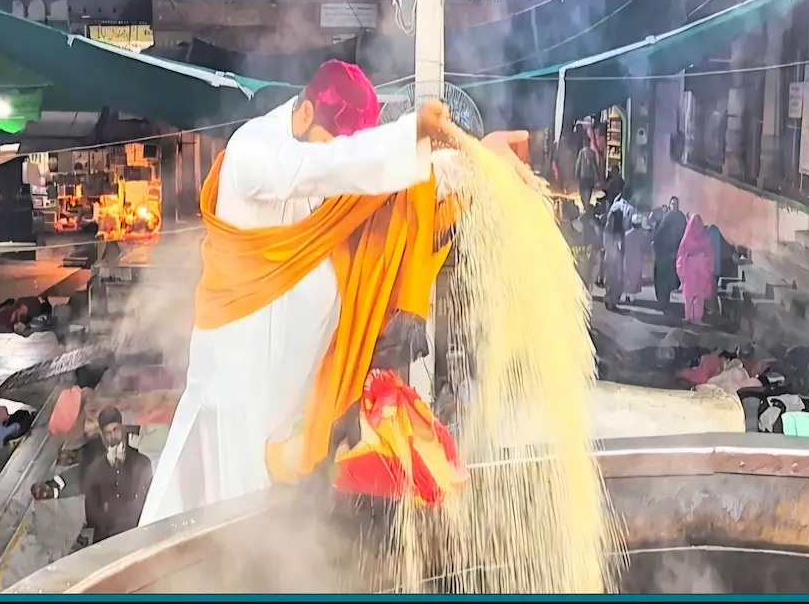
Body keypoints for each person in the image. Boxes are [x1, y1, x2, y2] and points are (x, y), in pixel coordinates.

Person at [138, 60, 528, 527]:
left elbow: (396, 182)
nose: (341, 183)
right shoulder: (254, 154)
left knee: (276, 547)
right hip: (230, 411)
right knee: (211, 551)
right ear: (303, 115)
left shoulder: (332, 180)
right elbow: (325, 168)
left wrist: (479, 160)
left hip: (292, 423)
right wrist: (409, 137)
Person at [83, 407, 153, 541]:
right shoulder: (95, 470)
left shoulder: (141, 463)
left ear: (123, 429)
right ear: (103, 436)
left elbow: (148, 501)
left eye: (116, 430)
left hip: (137, 534)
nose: (113, 436)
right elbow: (91, 516)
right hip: (108, 539)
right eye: (108, 432)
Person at [676, 214, 715, 323]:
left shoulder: (689, 238)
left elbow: (681, 255)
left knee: (695, 295)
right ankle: (692, 318)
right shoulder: (700, 237)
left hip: (695, 268)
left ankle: (693, 318)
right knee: (693, 295)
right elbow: (682, 254)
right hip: (695, 268)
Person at [652, 196, 687, 306]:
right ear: (670, 204)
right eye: (672, 203)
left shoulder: (681, 217)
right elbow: (659, 232)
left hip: (675, 252)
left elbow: (684, 234)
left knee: (672, 277)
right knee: (663, 277)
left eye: (676, 204)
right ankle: (663, 299)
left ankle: (665, 297)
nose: (674, 206)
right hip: (664, 252)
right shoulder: (665, 217)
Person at [602, 195, 634, 311]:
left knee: (610, 277)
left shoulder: (608, 229)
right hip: (614, 258)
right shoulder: (616, 233)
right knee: (614, 277)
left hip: (609, 256)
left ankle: (610, 300)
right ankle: (611, 301)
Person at [622, 213, 650, 302]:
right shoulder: (641, 236)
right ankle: (631, 295)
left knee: (626, 276)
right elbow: (645, 247)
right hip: (637, 259)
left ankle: (624, 294)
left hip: (626, 258)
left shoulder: (626, 234)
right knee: (634, 277)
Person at [573, 130, 600, 214]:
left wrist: (576, 173)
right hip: (590, 176)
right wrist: (597, 175)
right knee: (589, 190)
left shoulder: (581, 152)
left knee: (582, 190)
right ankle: (587, 204)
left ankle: (585, 205)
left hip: (583, 175)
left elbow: (578, 163)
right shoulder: (592, 153)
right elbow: (595, 165)